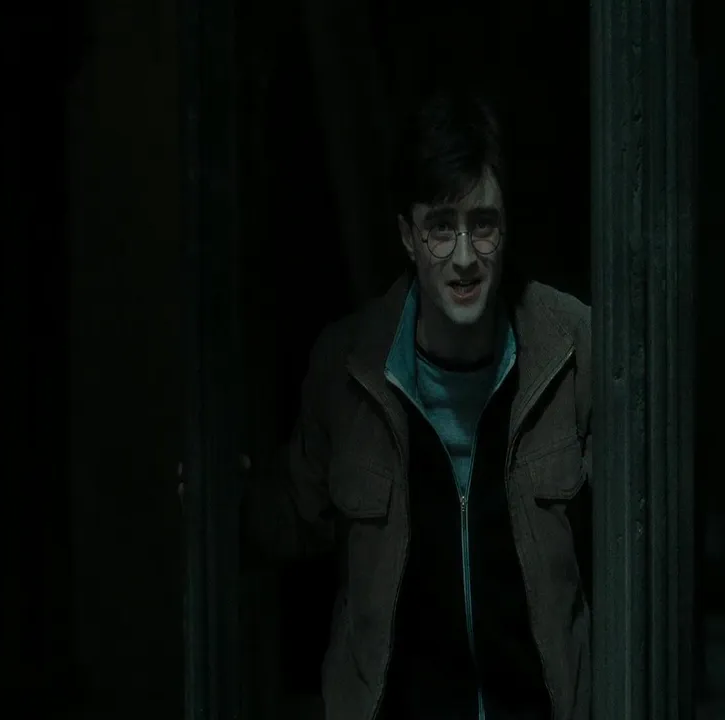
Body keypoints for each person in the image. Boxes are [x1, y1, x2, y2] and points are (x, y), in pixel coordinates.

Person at [245, 87, 593, 720]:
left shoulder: (570, 351)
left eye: (482, 225)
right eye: (440, 228)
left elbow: (630, 548)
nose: (464, 258)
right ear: (408, 235)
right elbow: (293, 516)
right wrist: (220, 495)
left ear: (505, 226)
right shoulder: (348, 366)